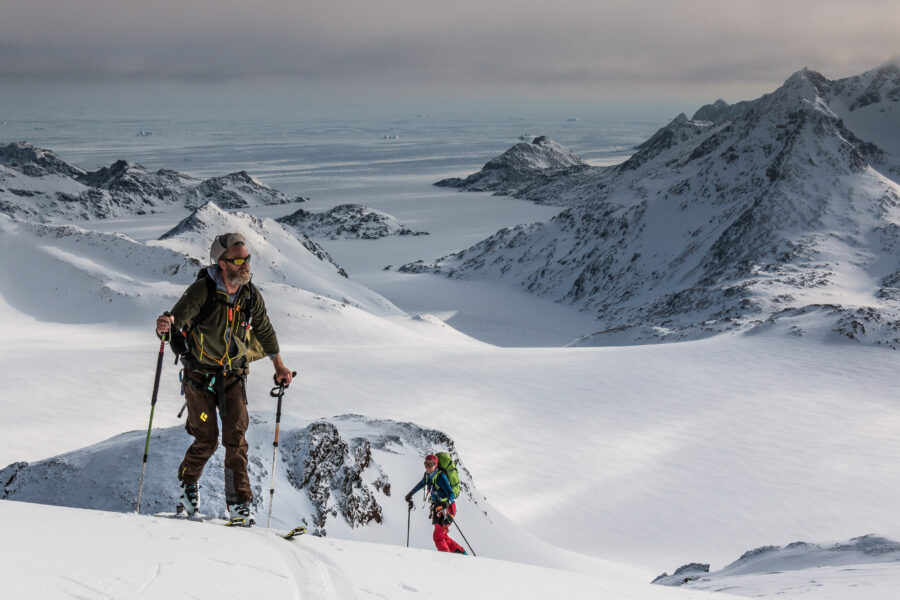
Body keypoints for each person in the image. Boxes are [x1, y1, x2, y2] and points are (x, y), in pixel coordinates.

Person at [155, 232, 293, 525]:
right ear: (221, 263)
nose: (244, 264)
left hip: (233, 376)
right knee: (206, 439)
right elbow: (174, 322)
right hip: (199, 377)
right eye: (238, 260)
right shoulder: (201, 291)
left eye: (247, 259)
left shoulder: (249, 294)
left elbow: (265, 332)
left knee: (236, 439)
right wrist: (164, 327)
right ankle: (188, 488)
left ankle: (240, 505)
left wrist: (279, 366)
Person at [404, 454, 467, 554]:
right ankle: (462, 554)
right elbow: (421, 484)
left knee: (438, 537)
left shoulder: (440, 477)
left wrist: (447, 503)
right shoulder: (428, 476)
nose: (427, 467)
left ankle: (447, 561)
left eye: (430, 464)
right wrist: (410, 494)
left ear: (436, 464)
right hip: (438, 509)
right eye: (426, 464)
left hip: (447, 509)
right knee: (442, 536)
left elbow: (451, 494)